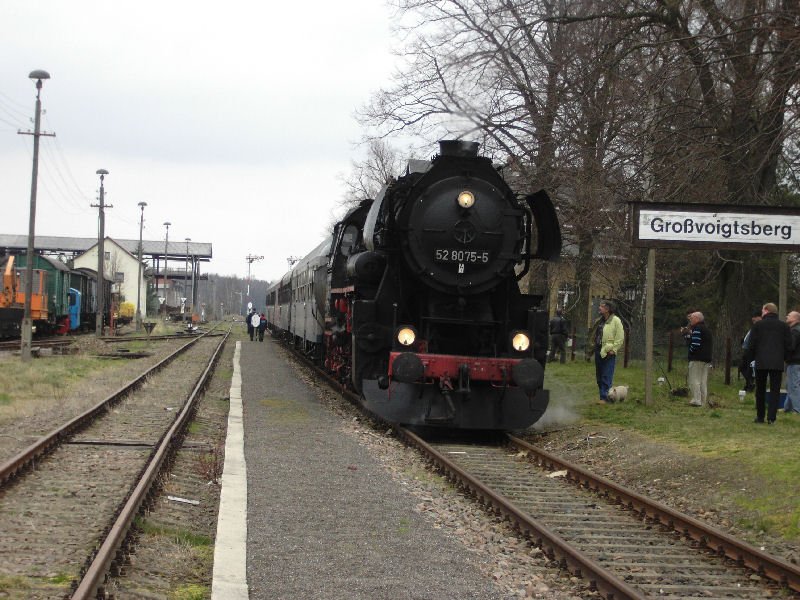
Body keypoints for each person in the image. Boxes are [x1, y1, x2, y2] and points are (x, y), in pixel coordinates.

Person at [745, 303, 792, 424]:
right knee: (775, 390)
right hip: (777, 362)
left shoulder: (758, 325)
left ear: (766, 311)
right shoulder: (784, 326)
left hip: (761, 361)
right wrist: (784, 358)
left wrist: (751, 359)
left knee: (760, 389)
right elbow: (788, 345)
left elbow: (751, 345)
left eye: (762, 310)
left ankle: (760, 416)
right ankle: (772, 417)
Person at [592, 300, 625, 404]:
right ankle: (604, 396)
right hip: (598, 351)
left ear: (607, 309)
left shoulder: (616, 320)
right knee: (599, 376)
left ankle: (606, 399)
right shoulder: (599, 320)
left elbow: (620, 338)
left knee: (606, 376)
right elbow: (594, 335)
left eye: (601, 307)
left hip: (608, 352)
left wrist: (613, 350)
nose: (599, 308)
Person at [684, 311, 713, 407]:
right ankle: (703, 401)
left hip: (697, 358)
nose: (690, 320)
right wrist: (688, 336)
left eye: (692, 318)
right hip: (706, 359)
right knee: (703, 381)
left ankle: (697, 400)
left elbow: (695, 345)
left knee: (694, 379)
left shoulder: (697, 329)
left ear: (697, 319)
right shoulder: (706, 329)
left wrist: (691, 351)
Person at [739, 309, 761, 392]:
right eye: (752, 317)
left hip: (752, 351)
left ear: (760, 317)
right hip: (747, 350)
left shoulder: (759, 327)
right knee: (742, 367)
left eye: (755, 317)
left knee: (749, 369)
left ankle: (749, 385)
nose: (753, 319)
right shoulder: (753, 327)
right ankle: (750, 383)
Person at [784, 310, 800, 414]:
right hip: (795, 361)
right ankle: (788, 407)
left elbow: (791, 346)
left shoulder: (795, 331)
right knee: (790, 385)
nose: (786, 316)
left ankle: (796, 409)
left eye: (789, 316)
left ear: (795, 319)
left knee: (794, 385)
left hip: (795, 361)